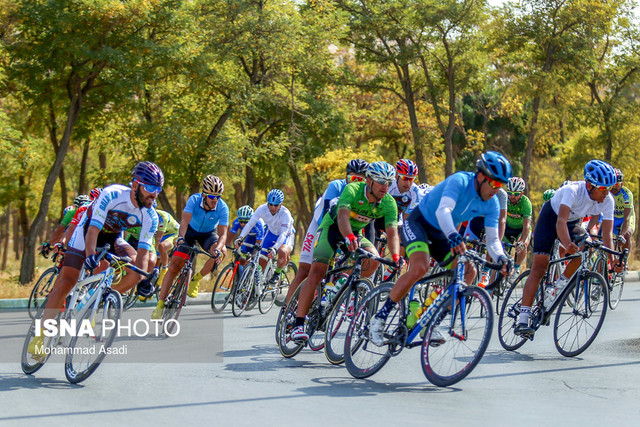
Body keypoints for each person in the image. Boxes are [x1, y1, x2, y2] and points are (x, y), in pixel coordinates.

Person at [369, 151, 513, 346]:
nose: (497, 189)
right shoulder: (461, 181)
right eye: (495, 183)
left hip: (443, 233)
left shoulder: (492, 203)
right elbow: (443, 210)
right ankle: (379, 318)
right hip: (421, 223)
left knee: (470, 270)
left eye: (500, 185)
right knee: (420, 267)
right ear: (481, 176)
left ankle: (432, 321)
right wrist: (454, 235)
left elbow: (493, 240)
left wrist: (502, 258)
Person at [29, 162, 163, 358]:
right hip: (87, 233)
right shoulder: (113, 194)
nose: (154, 194)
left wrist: (142, 279)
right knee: (68, 280)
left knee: (135, 272)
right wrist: (90, 255)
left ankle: (97, 300)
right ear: (135, 185)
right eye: (150, 188)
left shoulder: (151, 215)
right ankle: (41, 335)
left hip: (113, 238)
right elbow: (92, 230)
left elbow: (142, 253)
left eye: (158, 190)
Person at [290, 161, 401, 343]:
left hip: (355, 233)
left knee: (374, 259)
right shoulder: (353, 190)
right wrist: (348, 237)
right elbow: (342, 216)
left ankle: (341, 284)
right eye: (381, 181)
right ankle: (298, 324)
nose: (385, 186)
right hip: (332, 228)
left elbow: (392, 233)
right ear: (369, 180)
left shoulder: (389, 203)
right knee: (317, 272)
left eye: (389, 182)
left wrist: (396, 256)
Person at [514, 160, 624, 338]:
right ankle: (523, 318)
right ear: (590, 185)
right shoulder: (572, 191)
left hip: (573, 223)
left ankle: (558, 286)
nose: (607, 193)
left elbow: (607, 235)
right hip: (551, 218)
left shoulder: (607, 200)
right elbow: (560, 222)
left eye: (609, 188)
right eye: (603, 188)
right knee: (540, 266)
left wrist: (612, 262)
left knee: (585, 248)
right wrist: (567, 245)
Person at [286, 159, 369, 306]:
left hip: (345, 230)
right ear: (346, 177)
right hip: (320, 225)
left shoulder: (365, 195)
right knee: (305, 270)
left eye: (360, 180)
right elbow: (327, 216)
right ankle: (288, 309)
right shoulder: (336, 186)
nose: (356, 183)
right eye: (353, 179)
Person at [151, 175, 229, 320]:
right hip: (189, 232)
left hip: (208, 234)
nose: (215, 200)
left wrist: (218, 248)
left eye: (218, 196)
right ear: (204, 195)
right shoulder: (194, 200)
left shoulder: (222, 207)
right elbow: (184, 222)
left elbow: (223, 234)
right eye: (212, 196)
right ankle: (160, 305)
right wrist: (181, 238)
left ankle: (196, 280)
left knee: (220, 252)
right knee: (174, 266)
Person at [235, 189, 294, 287]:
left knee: (282, 252)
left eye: (276, 205)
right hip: (271, 233)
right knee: (260, 259)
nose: (272, 207)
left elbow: (283, 234)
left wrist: (275, 248)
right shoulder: (262, 209)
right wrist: (241, 237)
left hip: (286, 235)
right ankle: (255, 288)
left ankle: (277, 274)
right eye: (270, 204)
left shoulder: (285, 214)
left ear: (281, 204)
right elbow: (250, 224)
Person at [504, 177, 532, 276]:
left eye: (516, 194)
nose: (512, 196)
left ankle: (516, 268)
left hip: (522, 229)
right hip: (507, 227)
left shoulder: (526, 203)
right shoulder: (504, 199)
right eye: (510, 193)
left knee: (523, 244)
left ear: (521, 193)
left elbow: (527, 225)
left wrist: (522, 240)